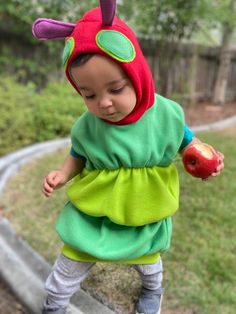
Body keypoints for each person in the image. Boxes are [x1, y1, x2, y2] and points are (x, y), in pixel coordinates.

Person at [32, 2, 224, 314]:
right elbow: (77, 154)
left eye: (115, 88)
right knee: (72, 259)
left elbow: (188, 142)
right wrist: (62, 173)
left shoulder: (165, 114)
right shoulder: (87, 126)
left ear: (136, 74)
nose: (104, 103)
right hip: (94, 211)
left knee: (149, 261)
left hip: (142, 210)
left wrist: (204, 156)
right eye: (89, 95)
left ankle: (152, 291)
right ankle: (54, 303)